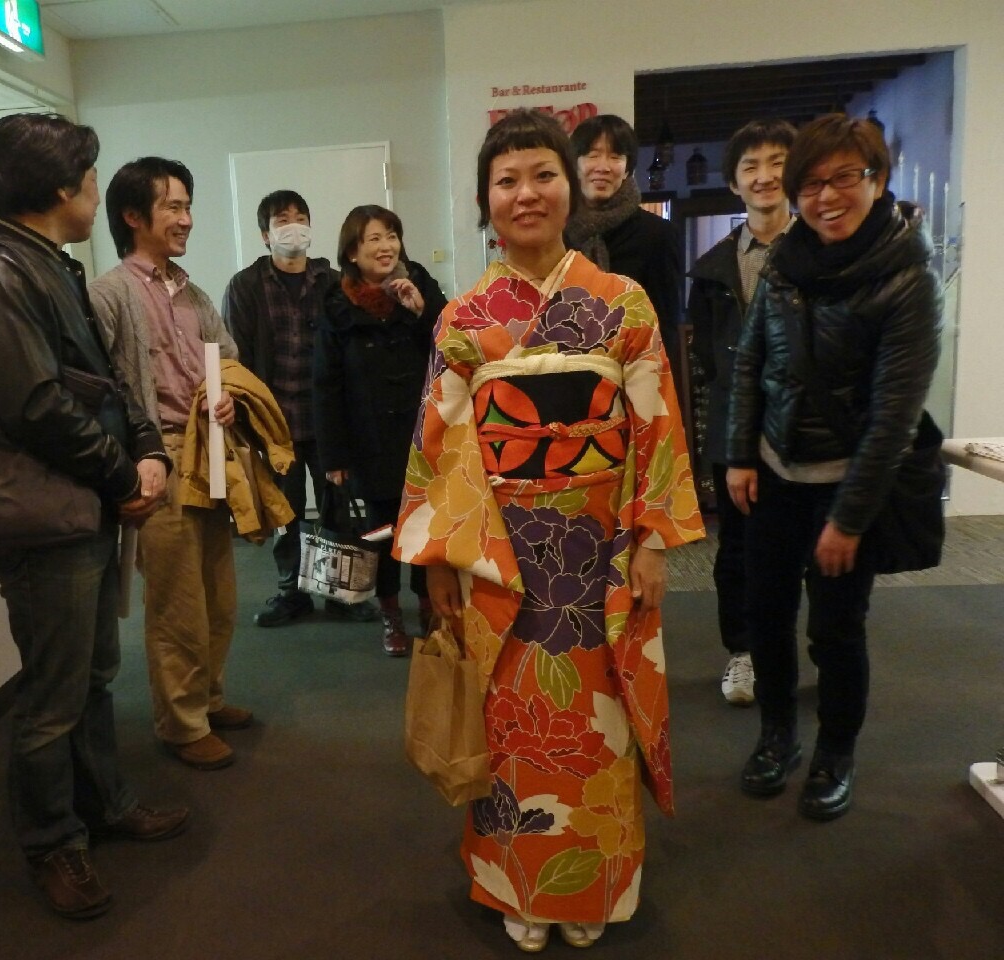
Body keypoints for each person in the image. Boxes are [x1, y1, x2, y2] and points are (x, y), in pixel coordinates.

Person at [395, 109, 704, 951]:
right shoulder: (465, 317)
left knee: (600, 721)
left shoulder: (622, 303)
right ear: (485, 200)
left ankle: (594, 884)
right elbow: (438, 442)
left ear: (572, 189)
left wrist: (651, 541)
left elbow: (657, 426)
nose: (525, 193)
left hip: (601, 550)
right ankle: (521, 885)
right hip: (500, 556)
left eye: (543, 175)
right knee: (510, 720)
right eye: (506, 180)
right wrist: (437, 561)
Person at [0, 114, 189, 920]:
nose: (97, 192)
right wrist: (124, 473)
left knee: (92, 677)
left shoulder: (48, 262)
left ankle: (104, 805)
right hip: (44, 519)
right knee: (52, 698)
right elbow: (36, 405)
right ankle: (52, 842)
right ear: (59, 188)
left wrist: (145, 448)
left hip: (78, 504)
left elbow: (105, 381)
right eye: (90, 179)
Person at [726, 114, 941, 821]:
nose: (826, 196)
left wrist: (848, 519)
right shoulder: (786, 262)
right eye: (812, 184)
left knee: (836, 630)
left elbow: (894, 417)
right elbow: (751, 362)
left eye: (845, 177)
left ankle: (834, 752)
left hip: (847, 485)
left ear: (877, 181)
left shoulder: (907, 277)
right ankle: (778, 736)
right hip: (772, 475)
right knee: (765, 615)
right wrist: (739, 454)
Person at [89, 156, 251, 772]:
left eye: (188, 206)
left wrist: (229, 395)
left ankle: (208, 698)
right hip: (158, 463)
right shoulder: (109, 294)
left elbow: (228, 359)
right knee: (176, 602)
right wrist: (128, 467)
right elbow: (100, 390)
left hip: (210, 457)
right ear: (134, 216)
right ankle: (182, 724)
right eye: (173, 206)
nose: (186, 219)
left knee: (219, 594)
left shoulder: (193, 293)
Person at [221, 190, 377, 628]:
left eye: (300, 217)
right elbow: (237, 357)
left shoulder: (332, 281)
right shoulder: (246, 286)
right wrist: (248, 421)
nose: (293, 226)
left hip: (327, 419)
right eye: (282, 220)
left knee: (338, 506)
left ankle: (341, 594)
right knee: (284, 511)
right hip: (275, 423)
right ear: (265, 235)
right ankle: (291, 593)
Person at [686, 118, 797, 705]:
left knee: (806, 550)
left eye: (777, 162)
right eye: (751, 166)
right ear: (733, 182)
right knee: (738, 550)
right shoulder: (713, 269)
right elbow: (707, 357)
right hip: (738, 432)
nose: (764, 176)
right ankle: (744, 652)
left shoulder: (823, 252)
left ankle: (801, 651)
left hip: (807, 433)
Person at [313, 205, 447, 657]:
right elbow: (325, 384)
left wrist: (422, 311)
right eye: (374, 238)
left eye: (392, 235)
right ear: (352, 251)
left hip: (423, 433)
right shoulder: (337, 304)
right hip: (368, 439)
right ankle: (391, 613)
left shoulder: (420, 283)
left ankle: (429, 605)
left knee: (427, 526)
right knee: (382, 532)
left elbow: (453, 347)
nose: (386, 246)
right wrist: (334, 457)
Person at [563, 114, 684, 380]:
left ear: (628, 168)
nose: (603, 167)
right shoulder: (557, 234)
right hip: (567, 376)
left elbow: (665, 328)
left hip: (635, 377)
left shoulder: (658, 235)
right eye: (593, 155)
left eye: (615, 156)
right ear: (574, 164)